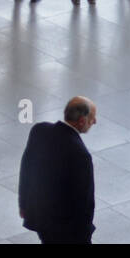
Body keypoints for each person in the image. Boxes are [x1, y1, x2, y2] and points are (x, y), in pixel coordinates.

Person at [18, 96, 97, 244]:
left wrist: (23, 204)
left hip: (41, 219)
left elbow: (26, 168)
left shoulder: (39, 131)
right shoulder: (80, 154)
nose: (95, 121)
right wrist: (85, 235)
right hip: (67, 229)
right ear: (82, 121)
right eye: (92, 117)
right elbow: (84, 201)